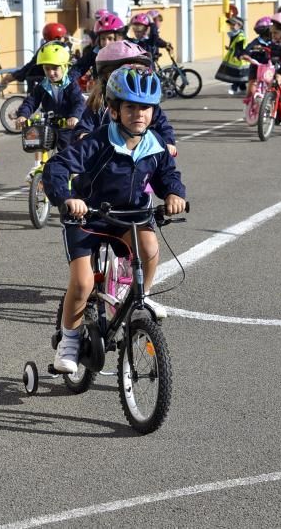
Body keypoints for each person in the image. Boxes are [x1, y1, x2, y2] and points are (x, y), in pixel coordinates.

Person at [43, 65, 186, 374]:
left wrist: (174, 194)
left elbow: (167, 175)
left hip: (128, 217)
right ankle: (68, 341)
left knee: (148, 248)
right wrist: (68, 199)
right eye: (130, 106)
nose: (139, 113)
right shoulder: (97, 142)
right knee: (81, 284)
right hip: (88, 218)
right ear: (113, 109)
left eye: (146, 107)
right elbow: (56, 167)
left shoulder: (155, 145)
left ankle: (140, 300)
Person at [76, 40, 177, 156]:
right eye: (122, 71)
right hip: (106, 162)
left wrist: (168, 142)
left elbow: (162, 125)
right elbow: (84, 125)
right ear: (107, 75)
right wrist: (83, 135)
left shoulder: (146, 103)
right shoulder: (99, 103)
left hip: (141, 158)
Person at [15, 42, 85, 174]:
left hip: (67, 126)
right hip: (50, 124)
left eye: (55, 68)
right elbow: (31, 101)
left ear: (64, 67)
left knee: (67, 153)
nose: (51, 73)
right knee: (37, 138)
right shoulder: (43, 85)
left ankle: (74, 176)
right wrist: (23, 115)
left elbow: (78, 102)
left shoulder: (71, 85)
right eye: (47, 69)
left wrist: (74, 117)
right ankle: (38, 166)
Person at [0, 22, 70, 96]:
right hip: (33, 72)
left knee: (12, 76)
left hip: (37, 71)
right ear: (56, 37)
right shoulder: (47, 50)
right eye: (62, 36)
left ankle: (0, 86)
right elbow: (33, 64)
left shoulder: (56, 47)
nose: (64, 38)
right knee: (11, 77)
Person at [69, 13, 125, 81]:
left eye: (110, 38)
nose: (106, 43)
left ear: (118, 39)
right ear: (99, 40)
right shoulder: (94, 53)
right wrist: (68, 79)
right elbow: (79, 67)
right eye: (103, 39)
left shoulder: (125, 53)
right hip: (101, 88)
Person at [241, 16, 272, 102]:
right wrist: (245, 55)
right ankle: (248, 106)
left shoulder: (274, 42)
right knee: (252, 88)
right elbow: (247, 49)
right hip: (257, 66)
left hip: (270, 67)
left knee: (274, 85)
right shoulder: (256, 42)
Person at [215, 16, 248, 94]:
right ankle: (243, 89)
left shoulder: (240, 36)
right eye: (230, 25)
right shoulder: (234, 34)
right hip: (234, 57)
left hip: (238, 58)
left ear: (239, 25)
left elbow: (240, 47)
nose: (231, 27)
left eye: (233, 25)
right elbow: (234, 45)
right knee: (239, 75)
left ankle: (234, 89)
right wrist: (230, 48)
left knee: (236, 75)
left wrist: (237, 56)